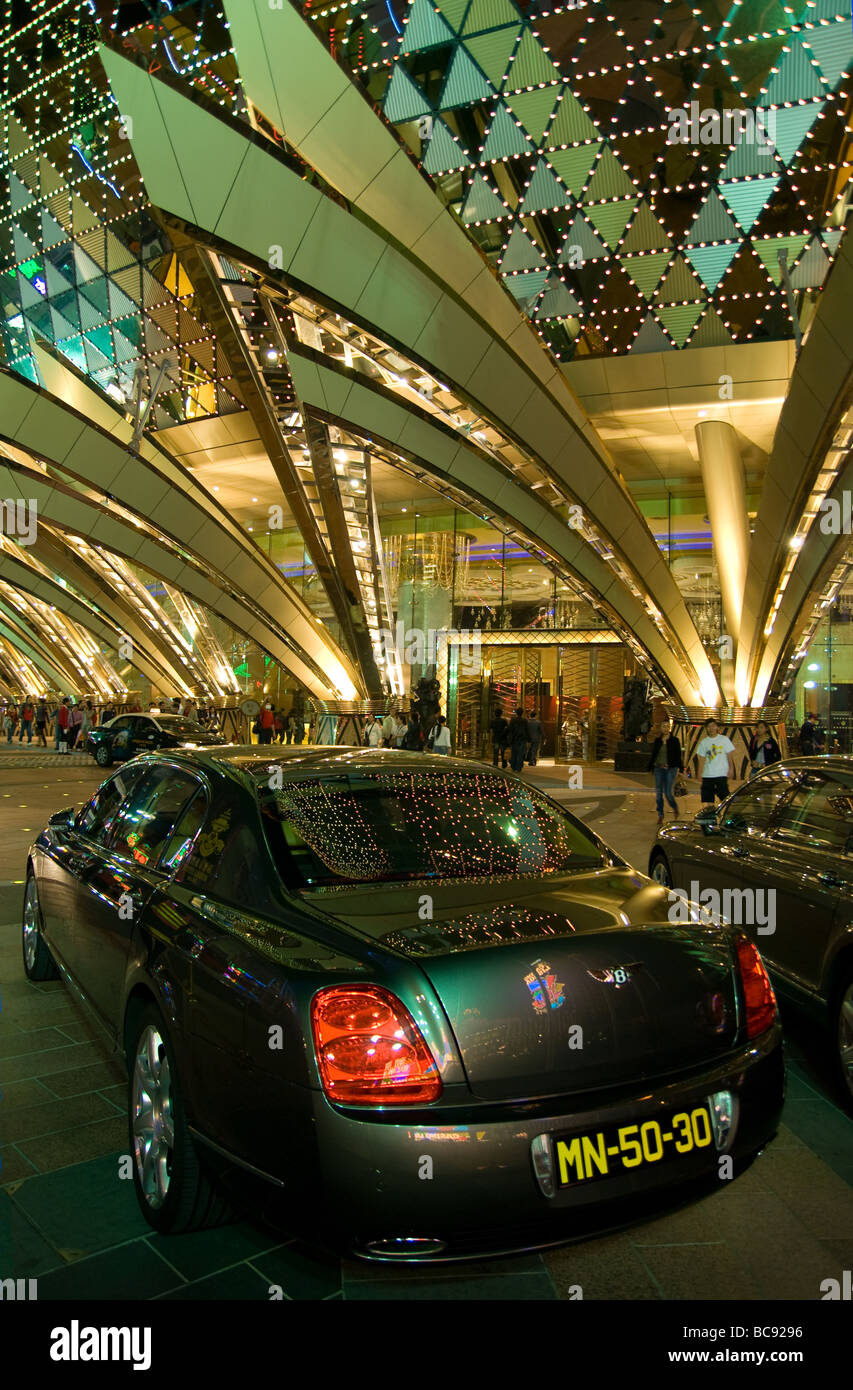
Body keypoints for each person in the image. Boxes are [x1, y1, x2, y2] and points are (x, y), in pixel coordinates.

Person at [647, 716, 683, 827]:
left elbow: (678, 756)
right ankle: (661, 814)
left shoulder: (675, 740)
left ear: (670, 728)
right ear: (661, 728)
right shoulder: (657, 741)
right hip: (658, 769)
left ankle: (675, 808)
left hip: (670, 769)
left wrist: (681, 769)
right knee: (658, 794)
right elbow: (654, 755)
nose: (666, 728)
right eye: (664, 726)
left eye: (667, 726)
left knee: (668, 793)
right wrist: (650, 767)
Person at [696, 717, 736, 805]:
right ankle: (711, 817)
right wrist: (699, 773)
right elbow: (702, 759)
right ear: (706, 728)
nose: (711, 728)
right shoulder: (704, 742)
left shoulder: (724, 739)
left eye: (713, 726)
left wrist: (731, 769)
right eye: (709, 726)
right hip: (707, 774)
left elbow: (730, 756)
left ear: (717, 727)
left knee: (724, 798)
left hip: (721, 773)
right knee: (708, 799)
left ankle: (723, 816)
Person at [508, 707, 530, 773]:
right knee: (520, 754)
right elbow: (527, 730)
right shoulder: (525, 720)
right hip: (522, 739)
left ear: (516, 713)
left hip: (514, 739)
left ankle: (513, 766)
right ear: (522, 713)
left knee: (514, 753)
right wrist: (528, 739)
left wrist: (509, 739)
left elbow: (510, 730)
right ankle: (519, 767)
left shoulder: (513, 720)